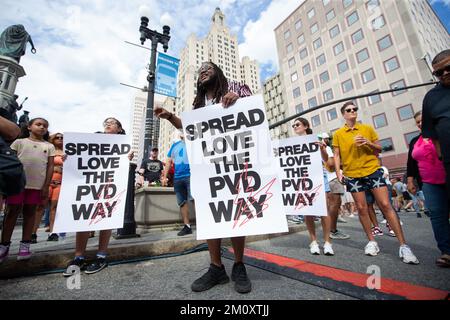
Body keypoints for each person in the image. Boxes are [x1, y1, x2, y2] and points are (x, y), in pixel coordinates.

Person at [155, 61, 253, 293]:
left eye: (208, 68)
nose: (203, 71)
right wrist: (170, 116)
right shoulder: (198, 105)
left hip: (234, 162)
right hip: (206, 166)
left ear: (218, 72)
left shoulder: (237, 87)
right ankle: (216, 267)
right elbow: (189, 130)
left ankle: (239, 264)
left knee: (236, 212)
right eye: (199, 71)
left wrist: (237, 98)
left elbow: (253, 111)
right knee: (211, 215)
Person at [333, 101, 419, 264]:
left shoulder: (367, 129)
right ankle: (372, 241)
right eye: (349, 110)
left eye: (354, 109)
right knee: (361, 208)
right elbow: (336, 155)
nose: (353, 112)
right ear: (343, 114)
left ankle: (403, 246)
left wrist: (367, 142)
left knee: (386, 205)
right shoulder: (338, 134)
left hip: (372, 171)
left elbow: (379, 149)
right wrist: (338, 172)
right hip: (352, 175)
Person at [63, 117, 133, 276]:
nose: (108, 123)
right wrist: (69, 157)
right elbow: (78, 157)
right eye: (106, 122)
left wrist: (127, 158)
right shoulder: (93, 138)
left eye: (112, 122)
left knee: (106, 219)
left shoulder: (123, 145)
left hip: (109, 185)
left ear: (120, 129)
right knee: (84, 218)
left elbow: (123, 165)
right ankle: (79, 256)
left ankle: (101, 255)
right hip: (89, 184)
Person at [0, 118, 55, 263]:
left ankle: (25, 245)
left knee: (30, 213)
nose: (42, 127)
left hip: (36, 185)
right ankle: (4, 245)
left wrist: (45, 186)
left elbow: (50, 167)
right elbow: (8, 161)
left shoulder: (49, 146)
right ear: (29, 127)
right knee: (11, 212)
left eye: (45, 125)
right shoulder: (19, 142)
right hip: (17, 184)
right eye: (38, 124)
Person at [406, 111, 450, 267]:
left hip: (447, 177)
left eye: (422, 121)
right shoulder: (414, 141)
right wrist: (410, 180)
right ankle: (446, 252)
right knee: (437, 216)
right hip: (429, 183)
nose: (420, 123)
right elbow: (411, 164)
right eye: (417, 122)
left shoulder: (442, 133)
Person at [293, 119, 334, 255]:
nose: (295, 127)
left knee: (324, 210)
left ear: (306, 126)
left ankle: (328, 242)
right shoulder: (292, 143)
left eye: (297, 124)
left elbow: (326, 160)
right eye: (293, 126)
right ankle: (314, 241)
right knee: (307, 211)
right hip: (303, 179)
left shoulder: (317, 140)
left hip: (318, 177)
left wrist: (322, 149)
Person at [422, 49, 450, 201]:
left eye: (448, 68)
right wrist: (442, 157)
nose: (445, 73)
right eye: (439, 73)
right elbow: (431, 134)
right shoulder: (431, 97)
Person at [32, 132, 65, 242]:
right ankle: (33, 233)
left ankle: (53, 232)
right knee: (40, 207)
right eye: (57, 137)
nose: (60, 139)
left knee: (54, 209)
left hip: (60, 183)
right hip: (47, 182)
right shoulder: (48, 149)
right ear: (53, 139)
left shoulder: (67, 152)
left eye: (62, 137)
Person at [319, 132, 350, 241]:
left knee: (335, 204)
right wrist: (341, 163)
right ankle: (332, 230)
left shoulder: (323, 148)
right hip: (332, 178)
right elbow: (331, 165)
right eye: (327, 138)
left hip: (329, 178)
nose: (329, 140)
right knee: (334, 204)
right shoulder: (326, 148)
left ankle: (332, 229)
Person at [162, 132, 192, 236]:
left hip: (191, 175)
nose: (182, 132)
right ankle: (187, 226)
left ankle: (204, 224)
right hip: (178, 177)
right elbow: (169, 160)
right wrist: (165, 177)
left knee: (195, 199)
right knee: (182, 202)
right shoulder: (175, 145)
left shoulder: (193, 142)